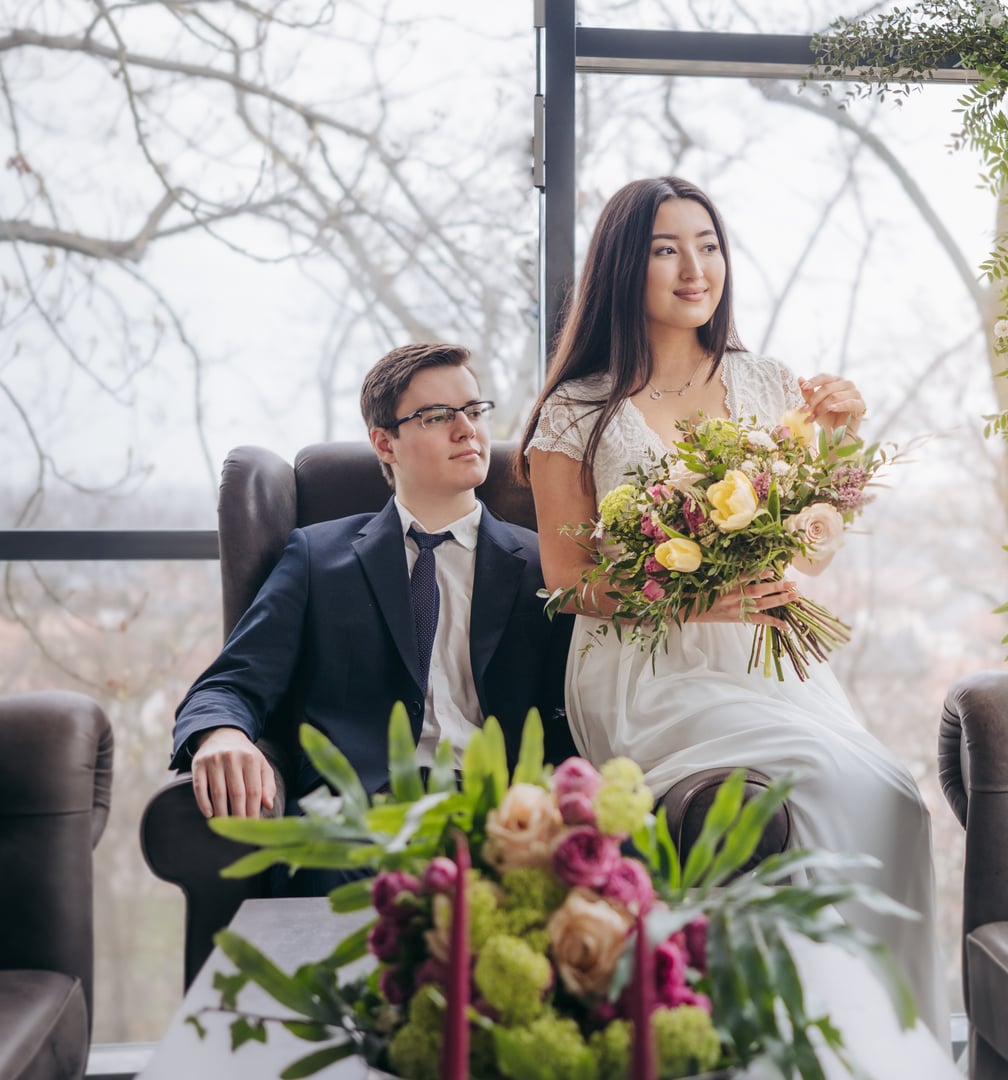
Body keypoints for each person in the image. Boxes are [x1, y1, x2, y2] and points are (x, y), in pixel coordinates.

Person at [518, 176, 951, 1050]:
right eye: (666, 249)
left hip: (766, 653)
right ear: (623, 267)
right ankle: (787, 1038)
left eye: (708, 245)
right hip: (643, 669)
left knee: (893, 797)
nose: (695, 268)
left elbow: (808, 548)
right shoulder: (575, 411)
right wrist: (694, 598)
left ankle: (873, 1043)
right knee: (821, 779)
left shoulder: (768, 383)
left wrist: (831, 459)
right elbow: (566, 583)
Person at [171, 343, 577, 843]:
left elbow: (579, 709)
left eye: (474, 410)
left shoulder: (544, 566)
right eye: (437, 416)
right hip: (360, 820)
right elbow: (230, 683)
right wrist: (221, 734)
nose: (466, 429)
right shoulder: (317, 558)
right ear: (385, 444)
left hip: (506, 820)